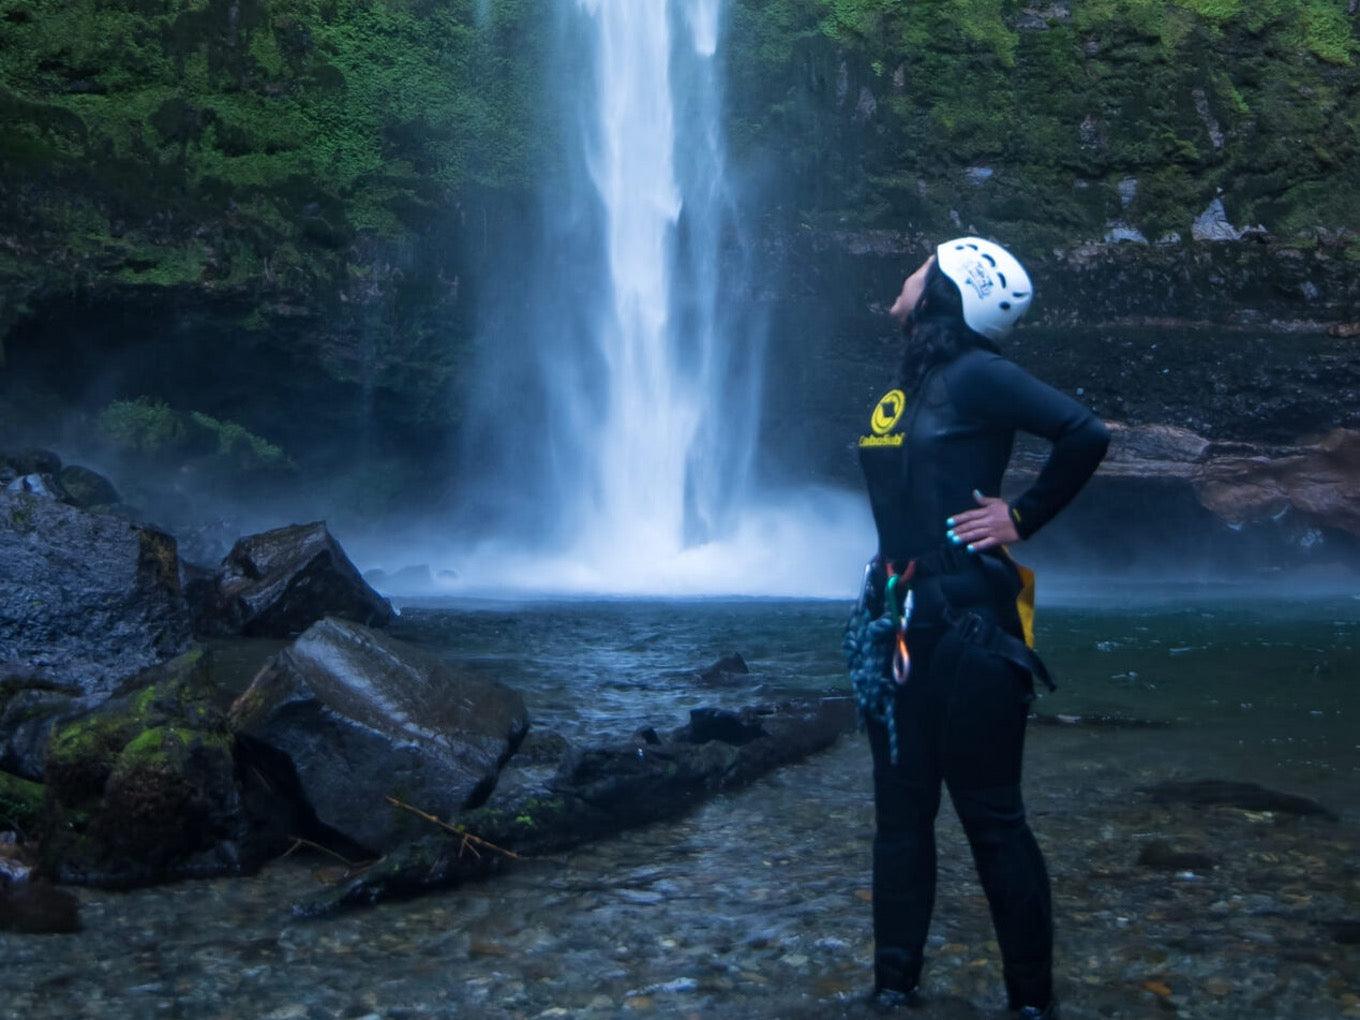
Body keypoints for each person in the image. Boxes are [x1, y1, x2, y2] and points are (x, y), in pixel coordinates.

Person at [849, 237, 1110, 1017]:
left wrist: (1020, 515)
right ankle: (893, 991)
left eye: (919, 266)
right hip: (900, 623)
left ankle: (1031, 1004)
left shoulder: (978, 376)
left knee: (992, 821)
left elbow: (1085, 432)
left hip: (968, 624)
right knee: (900, 820)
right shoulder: (920, 378)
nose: (903, 276)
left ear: (942, 292)